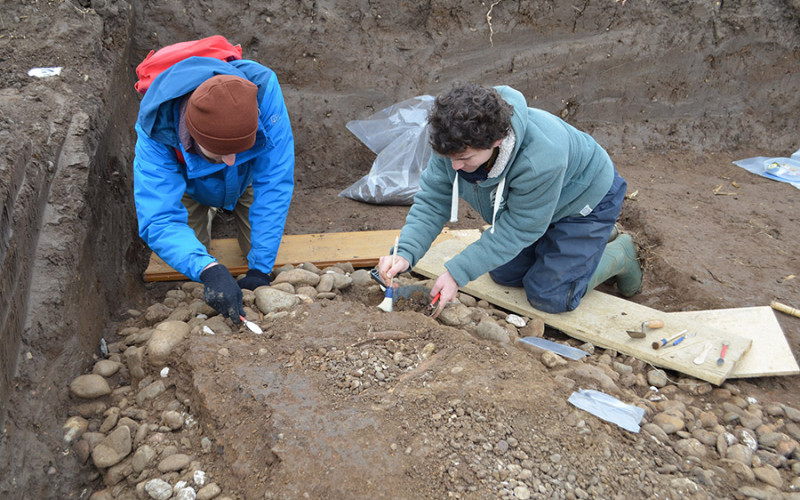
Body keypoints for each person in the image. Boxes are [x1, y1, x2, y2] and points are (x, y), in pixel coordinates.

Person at [378, 82, 641, 318]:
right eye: (450, 159)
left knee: (549, 295)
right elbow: (433, 202)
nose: (455, 167)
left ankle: (620, 253)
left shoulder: (541, 159)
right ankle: (578, 245)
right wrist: (405, 252)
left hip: (584, 202)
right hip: (535, 207)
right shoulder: (453, 141)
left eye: (465, 159)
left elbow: (520, 227)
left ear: (497, 141)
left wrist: (456, 274)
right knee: (505, 274)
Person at [134, 56, 294, 325]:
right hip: (191, 186)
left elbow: (274, 181)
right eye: (221, 153)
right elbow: (160, 218)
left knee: (260, 248)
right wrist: (208, 269)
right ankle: (206, 210)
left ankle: (229, 204)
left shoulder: (263, 91)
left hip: (245, 180)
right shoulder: (155, 127)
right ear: (193, 135)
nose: (231, 158)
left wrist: (260, 269)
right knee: (191, 258)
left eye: (239, 149)